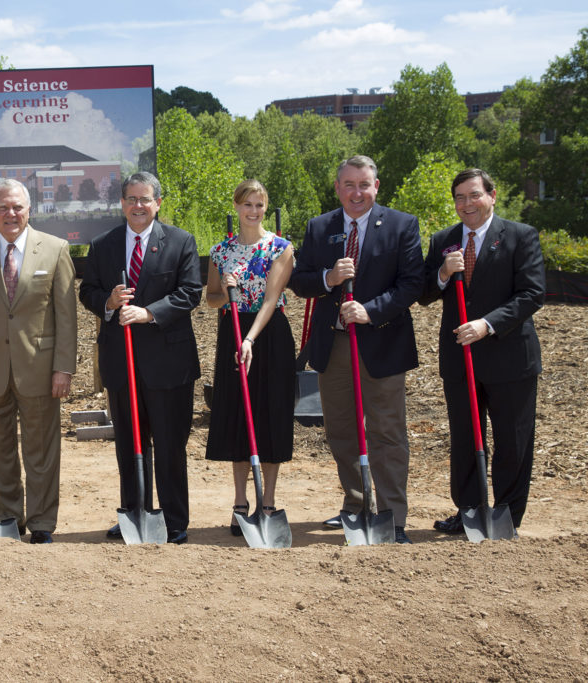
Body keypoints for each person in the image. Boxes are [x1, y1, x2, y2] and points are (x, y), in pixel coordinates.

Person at [288, 155, 423, 544]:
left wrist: (370, 311)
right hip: (334, 345)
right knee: (341, 430)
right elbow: (301, 280)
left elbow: (411, 284)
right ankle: (357, 504)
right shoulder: (320, 227)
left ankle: (392, 517)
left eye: (364, 184)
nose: (357, 192)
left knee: (386, 431)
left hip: (381, 342)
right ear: (337, 188)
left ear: (376, 187)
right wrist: (329, 278)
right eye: (349, 185)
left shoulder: (402, 225)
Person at [0, 179, 77, 544]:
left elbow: (66, 316)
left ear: (29, 210)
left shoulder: (54, 250)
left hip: (39, 368)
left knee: (40, 452)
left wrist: (63, 368)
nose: (11, 214)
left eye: (17, 207)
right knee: (0, 449)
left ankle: (41, 523)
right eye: (3, 208)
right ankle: (7, 517)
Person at [79, 171, 202, 545]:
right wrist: (109, 302)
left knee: (168, 446)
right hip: (122, 365)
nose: (138, 206)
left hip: (168, 366)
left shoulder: (180, 241)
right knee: (129, 444)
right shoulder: (103, 245)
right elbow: (88, 291)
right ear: (122, 203)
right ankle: (134, 512)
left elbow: (190, 293)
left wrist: (148, 313)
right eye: (131, 199)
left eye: (145, 199)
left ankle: (174, 521)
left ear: (158, 203)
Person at [420, 168, 545, 535]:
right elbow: (424, 292)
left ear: (492, 195)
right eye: (459, 197)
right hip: (461, 360)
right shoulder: (444, 240)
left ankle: (506, 515)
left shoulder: (521, 237)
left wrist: (486, 324)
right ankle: (470, 510)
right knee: (465, 438)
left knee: (512, 441)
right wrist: (443, 273)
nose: (466, 204)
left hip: (510, 359)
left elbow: (532, 293)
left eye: (474, 195)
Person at [204, 179, 295, 534]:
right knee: (239, 416)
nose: (253, 212)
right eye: (247, 205)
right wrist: (227, 293)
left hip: (268, 334)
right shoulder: (220, 251)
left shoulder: (280, 248)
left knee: (270, 415)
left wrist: (251, 340)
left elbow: (272, 299)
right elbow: (210, 299)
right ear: (237, 207)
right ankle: (241, 502)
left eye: (259, 205)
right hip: (233, 332)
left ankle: (267, 501)